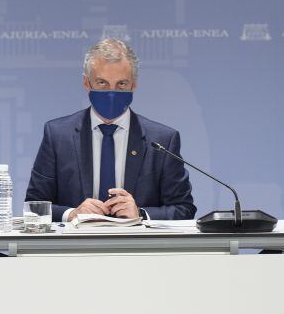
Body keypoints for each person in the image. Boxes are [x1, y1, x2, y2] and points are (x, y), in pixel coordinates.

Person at [25, 39, 196, 222]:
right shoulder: (58, 135)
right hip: (76, 246)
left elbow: (184, 209)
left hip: (138, 247)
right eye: (102, 83)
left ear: (134, 85)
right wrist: (72, 214)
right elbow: (34, 206)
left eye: (121, 84)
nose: (111, 92)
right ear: (86, 83)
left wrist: (140, 214)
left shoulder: (163, 140)